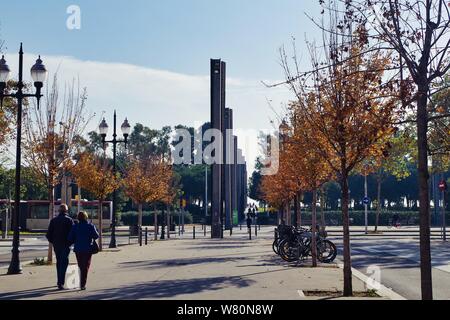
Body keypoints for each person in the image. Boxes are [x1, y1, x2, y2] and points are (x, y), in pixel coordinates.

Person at [68, 211, 99, 290]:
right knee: (85, 266)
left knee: (81, 265)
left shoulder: (75, 226)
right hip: (88, 249)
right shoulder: (90, 226)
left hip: (78, 249)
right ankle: (82, 284)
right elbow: (96, 236)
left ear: (78, 217)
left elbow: (70, 238)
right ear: (86, 217)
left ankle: (81, 281)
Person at [46, 204, 74, 290]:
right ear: (66, 211)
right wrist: (70, 243)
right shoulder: (69, 220)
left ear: (59, 211)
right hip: (66, 245)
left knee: (59, 262)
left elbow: (48, 234)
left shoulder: (54, 220)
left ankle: (59, 281)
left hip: (57, 245)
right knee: (64, 263)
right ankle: (61, 283)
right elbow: (72, 233)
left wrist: (53, 242)